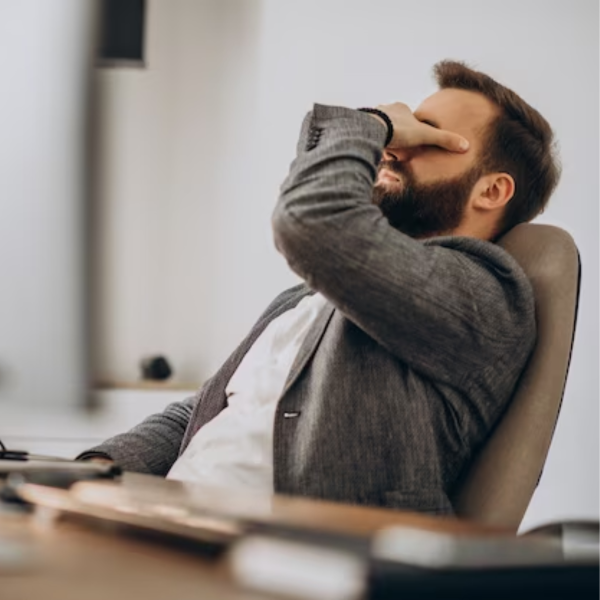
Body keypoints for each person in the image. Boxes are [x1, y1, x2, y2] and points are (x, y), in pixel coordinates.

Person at [79, 60, 560, 515]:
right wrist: (89, 471)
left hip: (298, 558)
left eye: (430, 139)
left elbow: (311, 221)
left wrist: (370, 122)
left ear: (492, 190)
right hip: (174, 525)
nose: (394, 147)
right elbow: (206, 412)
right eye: (408, 127)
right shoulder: (307, 299)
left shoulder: (485, 295)